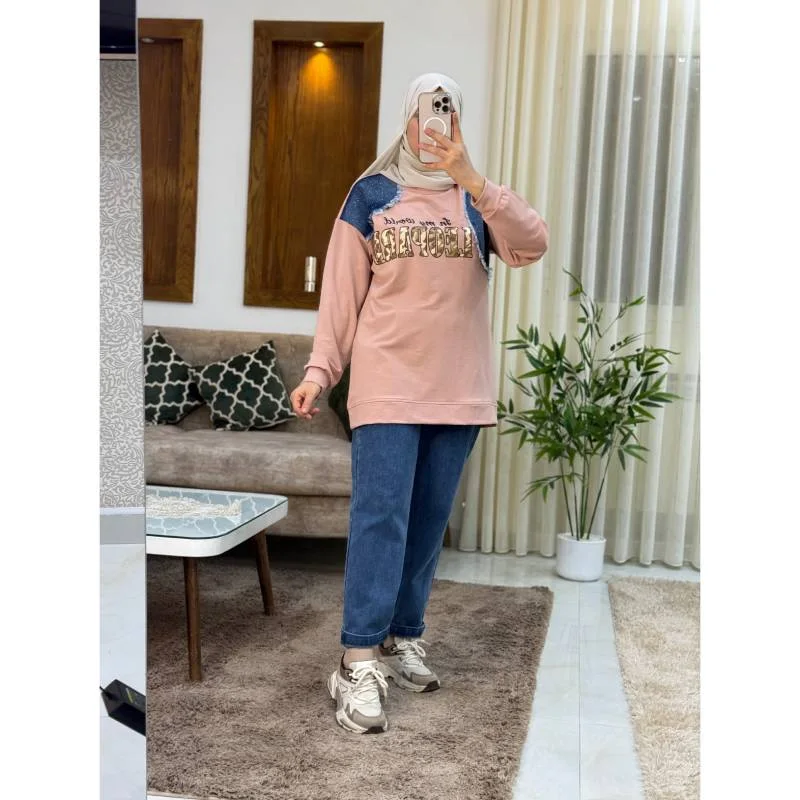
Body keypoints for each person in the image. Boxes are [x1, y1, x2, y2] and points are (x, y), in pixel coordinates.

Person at [289, 73, 549, 734]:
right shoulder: (371, 195)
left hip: (458, 392)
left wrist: (474, 179)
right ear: (406, 121)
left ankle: (402, 636)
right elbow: (341, 294)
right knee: (381, 519)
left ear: (458, 123)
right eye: (425, 113)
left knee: (428, 524)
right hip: (386, 384)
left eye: (447, 113)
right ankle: (356, 659)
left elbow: (533, 243)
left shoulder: (476, 202)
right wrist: (320, 371)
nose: (434, 126)